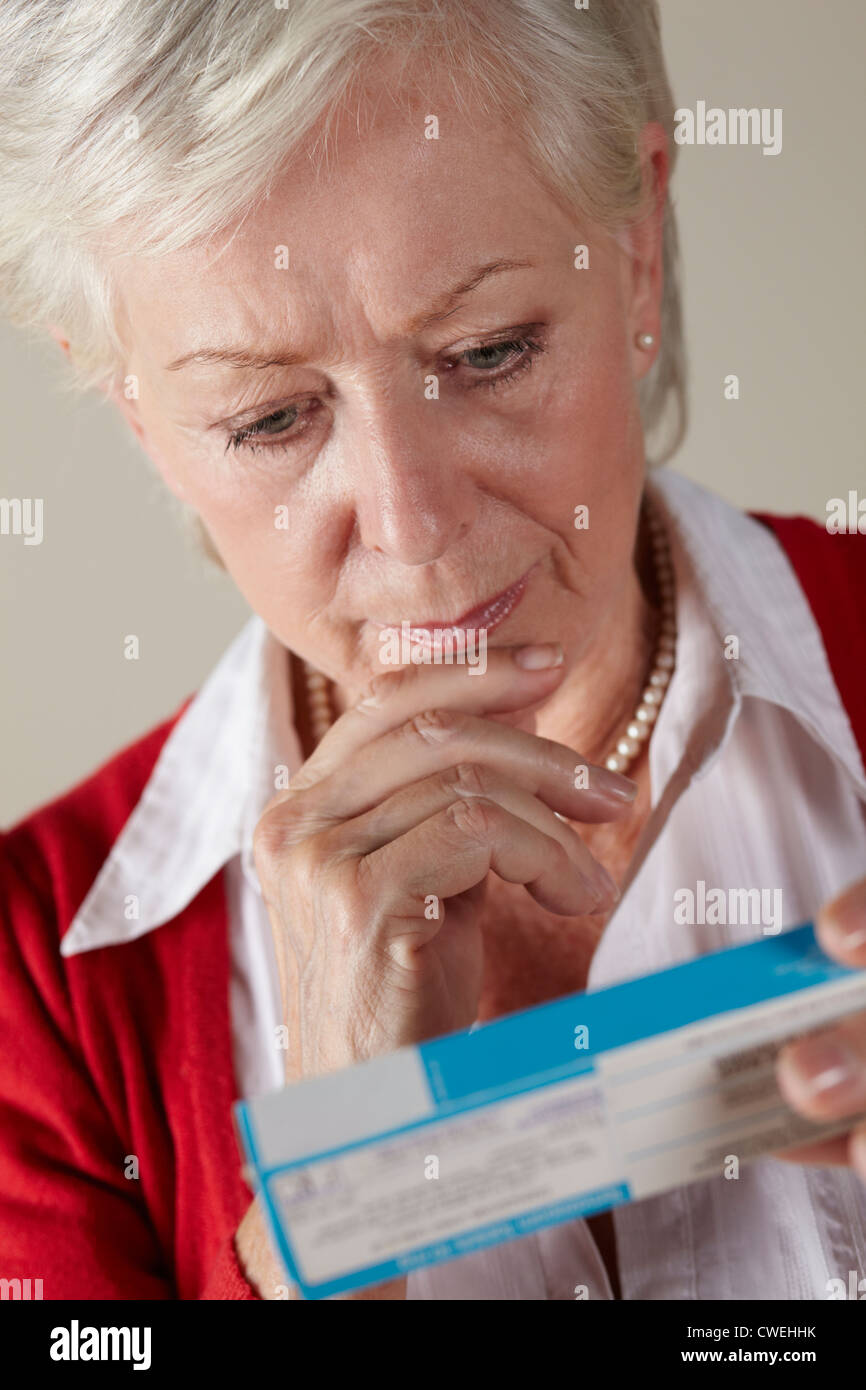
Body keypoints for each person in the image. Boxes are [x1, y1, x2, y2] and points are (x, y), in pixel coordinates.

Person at [1, 0, 864, 1302]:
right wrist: (330, 1211)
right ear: (141, 415)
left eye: (487, 351)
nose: (414, 527)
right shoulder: (33, 996)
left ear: (634, 245)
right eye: (271, 416)